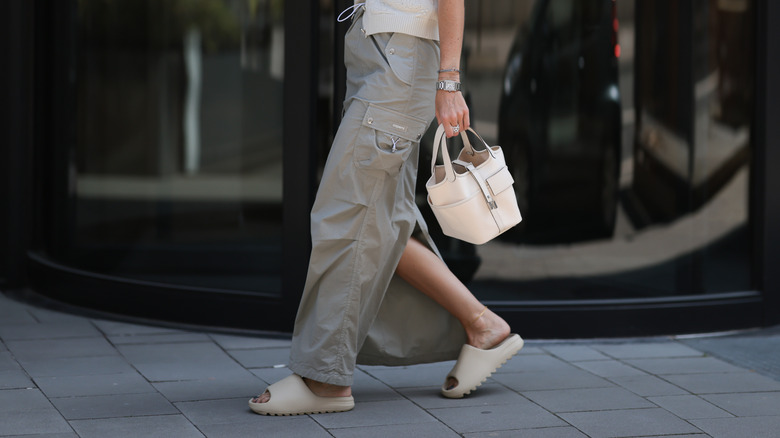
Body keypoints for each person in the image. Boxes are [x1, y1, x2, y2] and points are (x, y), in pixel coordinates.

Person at [248, 0, 523, 416]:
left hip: (399, 58)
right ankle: (483, 325)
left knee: (347, 216)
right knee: (383, 220)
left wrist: (449, 81)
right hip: (377, 55)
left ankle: (325, 380)